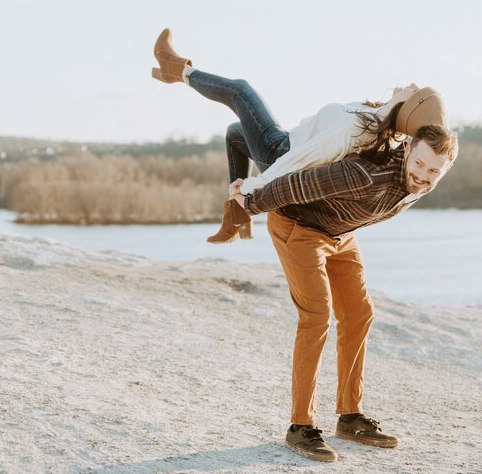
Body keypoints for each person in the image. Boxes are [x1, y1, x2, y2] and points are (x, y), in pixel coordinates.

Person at [152, 29, 458, 462]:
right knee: (316, 315)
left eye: (434, 171)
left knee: (359, 313)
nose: (424, 176)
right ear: (408, 150)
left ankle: (349, 416)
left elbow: (422, 140)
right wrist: (249, 201)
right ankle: (301, 424)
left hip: (340, 234)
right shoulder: (364, 172)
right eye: (421, 165)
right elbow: (299, 182)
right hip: (297, 225)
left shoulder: (424, 174)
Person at [150, 28, 452, 243]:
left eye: (414, 91)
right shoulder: (376, 120)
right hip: (291, 140)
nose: (409, 83)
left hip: (281, 150)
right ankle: (233, 219)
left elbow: (300, 160)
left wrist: (252, 191)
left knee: (241, 92)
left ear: (405, 108)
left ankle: (175, 68)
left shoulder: (358, 131)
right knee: (236, 135)